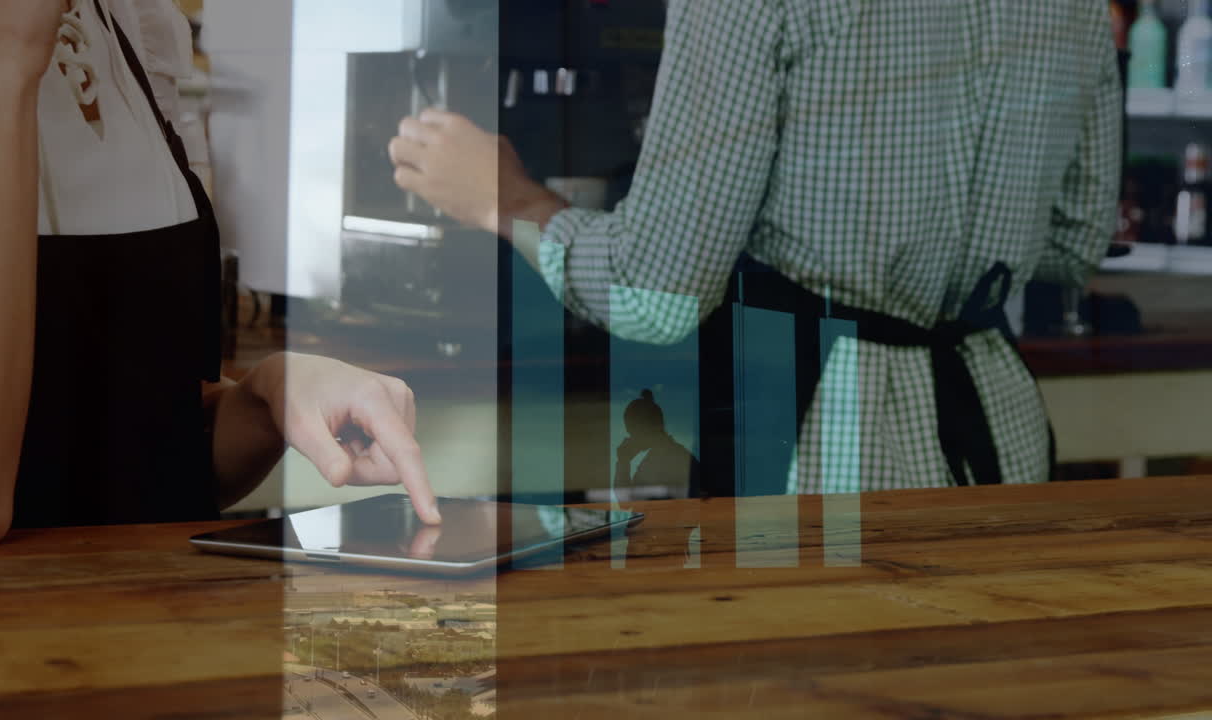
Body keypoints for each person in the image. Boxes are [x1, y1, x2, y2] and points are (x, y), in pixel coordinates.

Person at [388, 0, 1121, 492]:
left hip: (820, 454)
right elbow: (1073, 239)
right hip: (997, 433)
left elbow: (656, 296)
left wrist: (507, 199)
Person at [0, 0, 439, 547]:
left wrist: (270, 393)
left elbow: (153, 446)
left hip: (160, 616)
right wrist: (3, 64)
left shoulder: (135, 24)